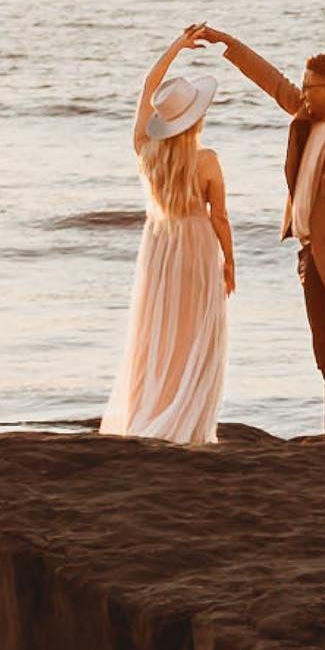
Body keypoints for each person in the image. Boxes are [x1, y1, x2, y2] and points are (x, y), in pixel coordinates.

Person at [195, 26, 325, 443]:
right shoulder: (308, 114)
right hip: (309, 253)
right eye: (303, 85)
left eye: (311, 86)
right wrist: (226, 42)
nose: (301, 92)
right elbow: (271, 81)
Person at [100, 24, 235, 444]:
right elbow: (220, 218)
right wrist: (229, 262)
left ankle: (151, 410)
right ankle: (187, 421)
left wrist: (176, 45)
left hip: (160, 245)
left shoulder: (146, 150)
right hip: (196, 247)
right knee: (195, 332)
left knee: (158, 331)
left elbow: (147, 85)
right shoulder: (208, 160)